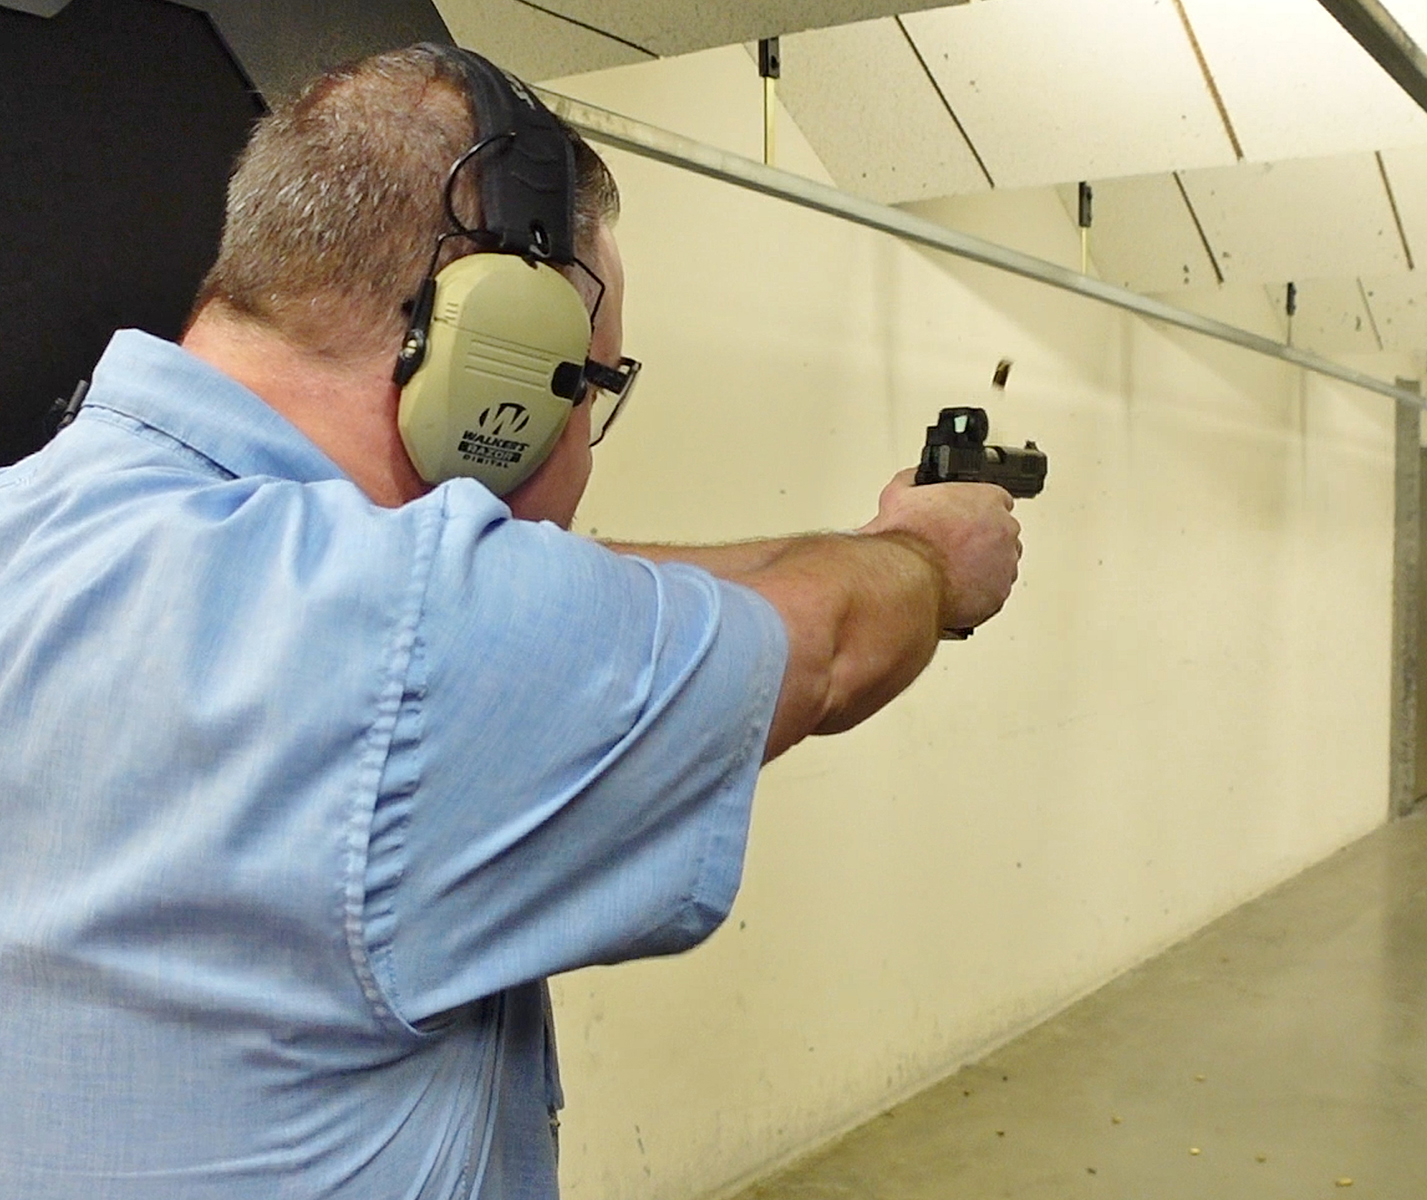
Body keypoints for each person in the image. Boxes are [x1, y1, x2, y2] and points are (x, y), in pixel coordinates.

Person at [0, 44, 1021, 1199]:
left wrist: (849, 536)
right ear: (495, 362)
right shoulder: (406, 640)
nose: (581, 437)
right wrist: (934, 557)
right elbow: (827, 651)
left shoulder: (50, 522)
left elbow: (516, 590)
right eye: (585, 383)